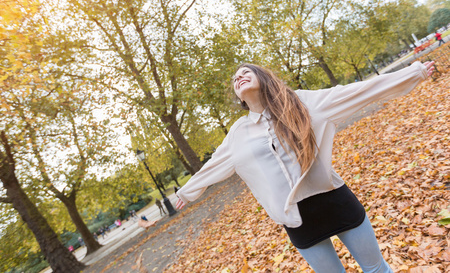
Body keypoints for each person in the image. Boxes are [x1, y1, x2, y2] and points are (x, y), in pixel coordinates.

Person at [175, 61, 435, 273]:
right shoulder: (237, 134)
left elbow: (357, 91)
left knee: (376, 269)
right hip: (297, 221)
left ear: (263, 78)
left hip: (335, 202)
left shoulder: (303, 103)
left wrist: (414, 73)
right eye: (235, 78)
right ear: (237, 96)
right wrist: (186, 192)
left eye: (246, 72)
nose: (239, 77)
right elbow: (214, 165)